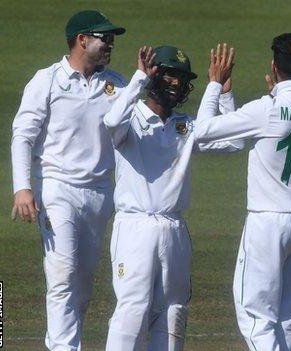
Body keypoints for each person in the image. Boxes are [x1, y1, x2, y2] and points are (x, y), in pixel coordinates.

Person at [194, 34, 291, 351]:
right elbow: (283, 128)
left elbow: (202, 132)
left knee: (256, 317)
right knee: (290, 320)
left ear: (273, 66)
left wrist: (215, 85)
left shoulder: (265, 109)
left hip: (269, 224)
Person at [102, 46, 243, 350]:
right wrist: (139, 77)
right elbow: (111, 123)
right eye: (169, 75)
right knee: (132, 308)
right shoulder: (130, 117)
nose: (176, 83)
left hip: (174, 229)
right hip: (135, 226)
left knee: (173, 311)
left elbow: (234, 141)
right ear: (153, 76)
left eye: (181, 78)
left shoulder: (185, 125)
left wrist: (224, 94)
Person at [10, 10, 125, 350]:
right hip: (57, 189)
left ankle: (66, 341)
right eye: (104, 38)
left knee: (83, 284)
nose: (110, 44)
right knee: (62, 274)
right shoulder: (47, 80)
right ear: (81, 40)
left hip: (101, 193)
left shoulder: (116, 84)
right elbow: (22, 136)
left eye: (112, 38)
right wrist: (23, 186)